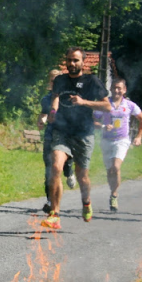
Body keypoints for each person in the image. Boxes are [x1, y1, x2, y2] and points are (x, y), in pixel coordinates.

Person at [42, 47, 110, 229]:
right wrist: (53, 112)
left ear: (82, 62)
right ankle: (54, 214)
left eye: (76, 60)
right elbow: (55, 97)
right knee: (56, 167)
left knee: (82, 177)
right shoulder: (60, 80)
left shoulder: (92, 81)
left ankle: (86, 202)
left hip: (83, 134)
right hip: (62, 131)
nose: (72, 64)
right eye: (69, 60)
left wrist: (84, 102)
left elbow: (107, 106)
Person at [93, 78, 142, 212]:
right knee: (110, 170)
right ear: (110, 89)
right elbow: (93, 120)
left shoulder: (130, 105)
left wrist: (139, 136)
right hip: (106, 140)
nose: (117, 90)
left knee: (116, 167)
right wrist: (103, 126)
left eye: (119, 88)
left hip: (122, 140)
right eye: (114, 87)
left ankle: (114, 195)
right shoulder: (104, 104)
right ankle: (112, 190)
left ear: (124, 90)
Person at [37, 69, 77, 214]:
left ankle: (70, 171)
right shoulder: (46, 99)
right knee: (50, 170)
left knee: (63, 165)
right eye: (53, 80)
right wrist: (41, 121)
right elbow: (43, 114)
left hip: (66, 137)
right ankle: (50, 201)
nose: (55, 83)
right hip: (50, 136)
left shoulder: (70, 97)